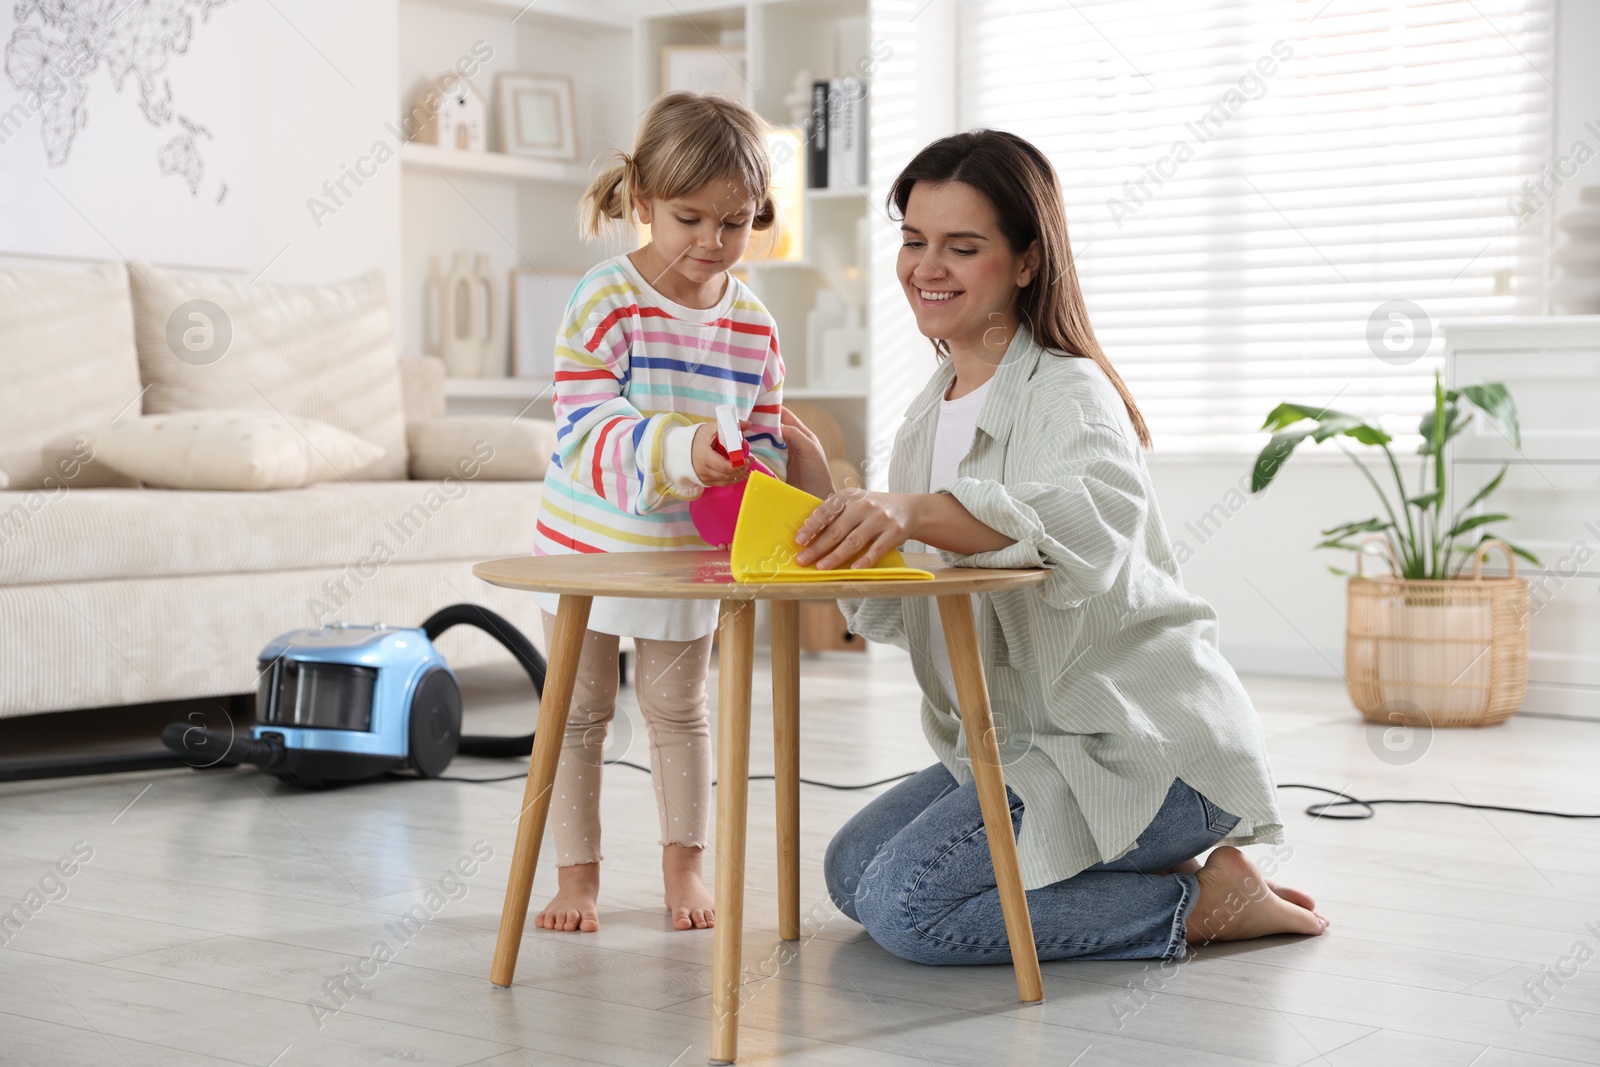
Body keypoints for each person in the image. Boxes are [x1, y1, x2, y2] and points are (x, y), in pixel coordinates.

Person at [780, 129, 1326, 965]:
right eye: (915, 241)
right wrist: (821, 494)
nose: (928, 267)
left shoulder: (1069, 392)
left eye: (964, 247)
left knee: (908, 909)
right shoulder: (925, 418)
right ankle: (1140, 877)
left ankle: (1204, 900)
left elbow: (1077, 528)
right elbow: (897, 599)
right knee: (852, 872)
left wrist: (917, 509)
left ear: (1028, 261)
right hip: (1026, 750)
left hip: (1146, 752)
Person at [529, 91, 786, 934]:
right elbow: (585, 426)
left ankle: (685, 868)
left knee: (680, 713)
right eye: (689, 219)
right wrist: (681, 453)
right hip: (589, 548)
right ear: (641, 201)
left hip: (685, 557)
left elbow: (766, 435)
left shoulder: (753, 326)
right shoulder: (605, 299)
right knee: (578, 714)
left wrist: (757, 481)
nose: (712, 243)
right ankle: (577, 878)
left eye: (735, 223)